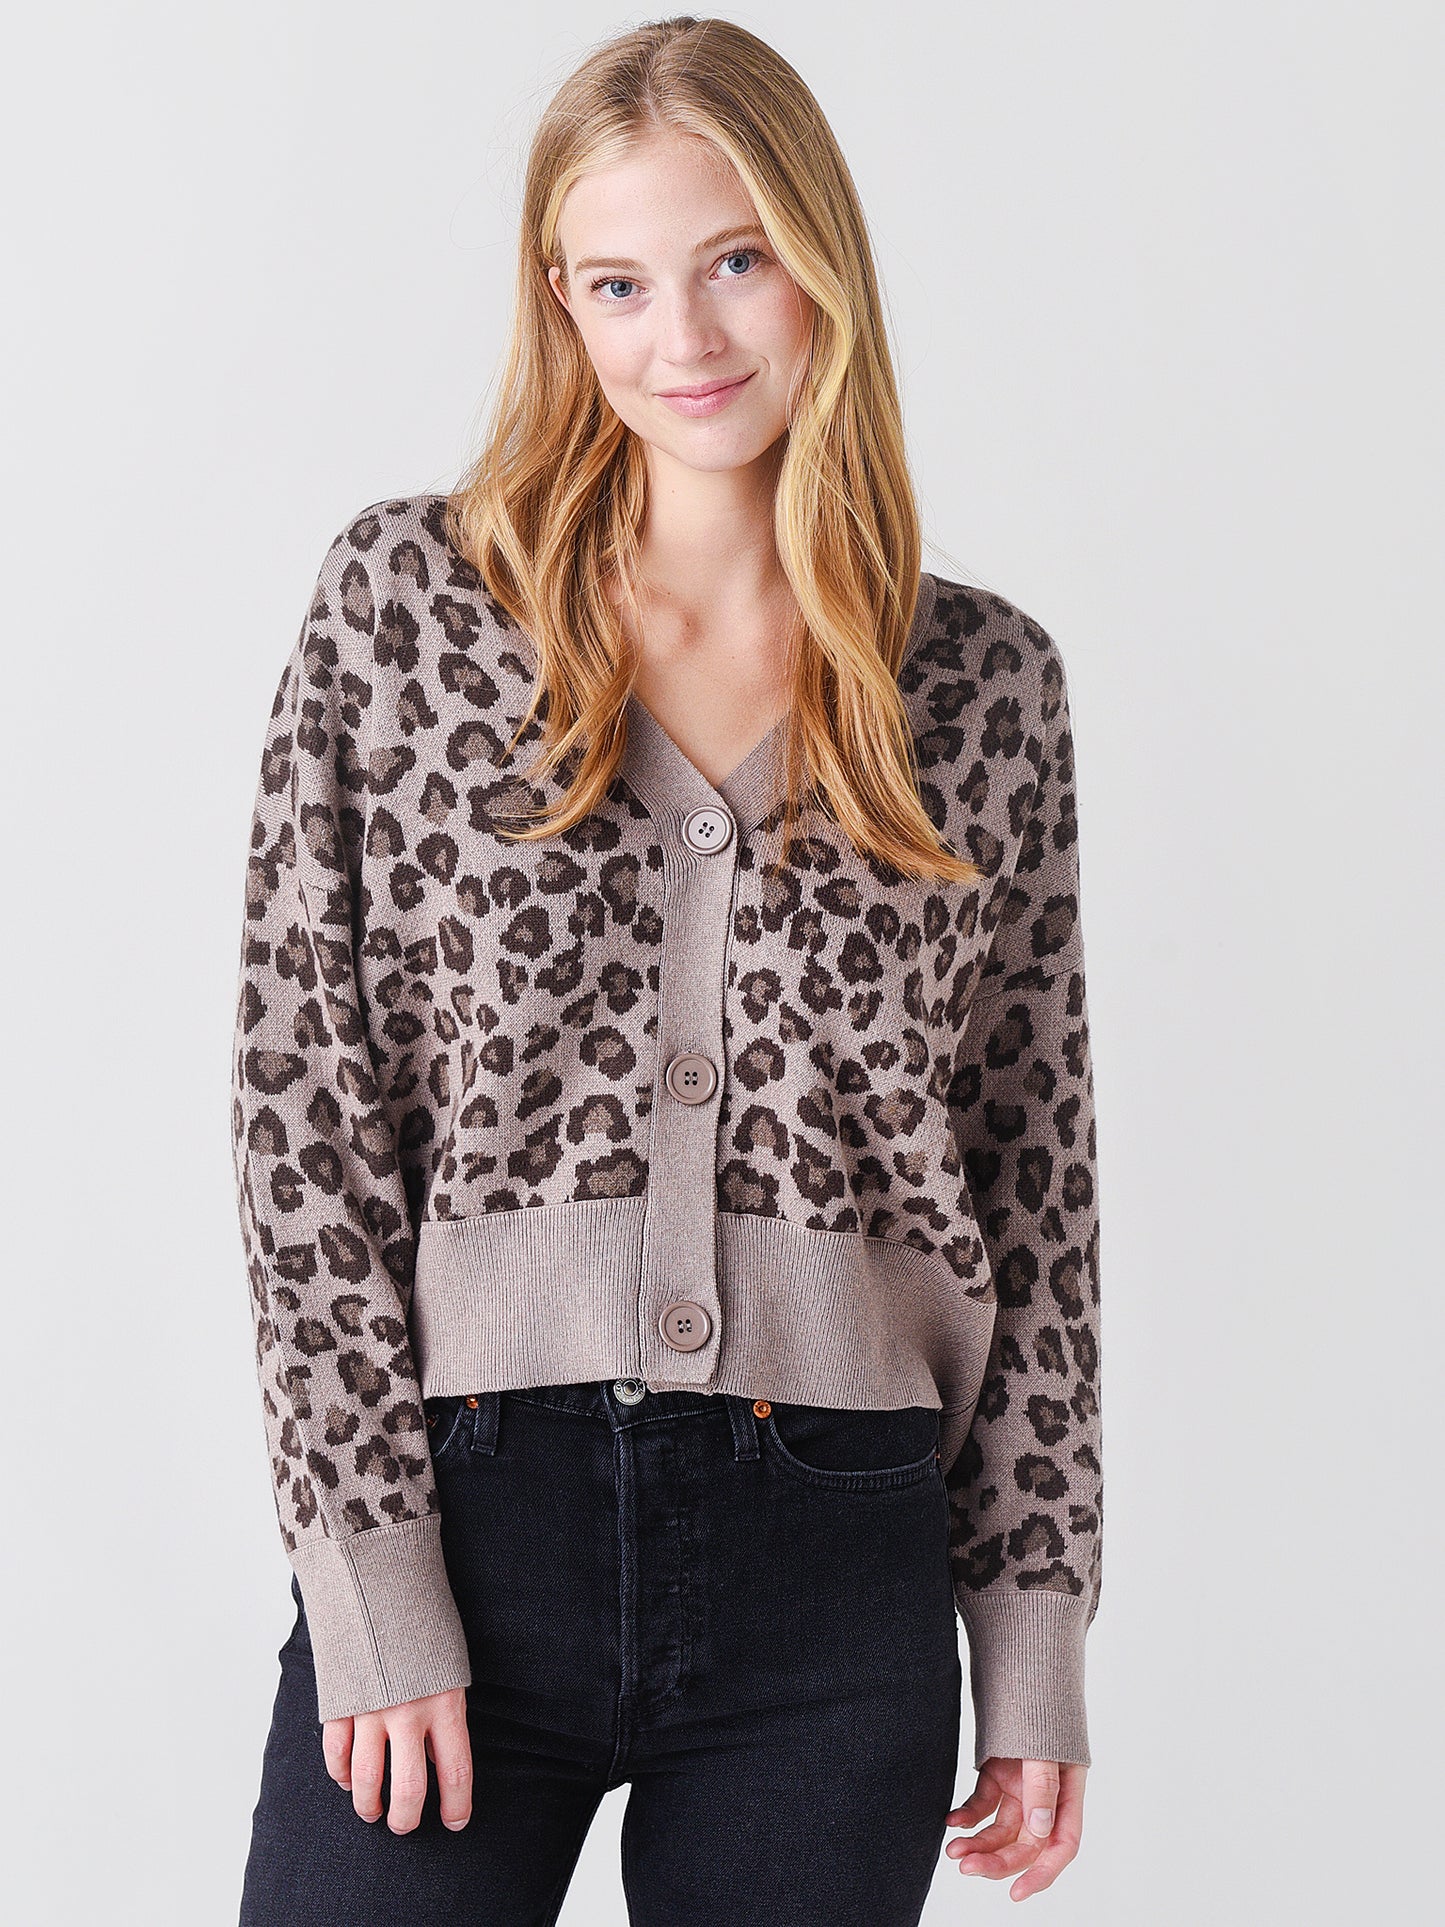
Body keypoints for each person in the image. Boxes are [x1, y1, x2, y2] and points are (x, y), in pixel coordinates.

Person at [230, 16, 1103, 1923]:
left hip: (839, 1574)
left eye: (733, 261)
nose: (683, 337)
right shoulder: (409, 609)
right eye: (617, 282)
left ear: (820, 262)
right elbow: (306, 1123)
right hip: (474, 1520)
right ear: (559, 299)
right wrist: (372, 1585)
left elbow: (1031, 1182)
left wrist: (1031, 1635)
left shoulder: (981, 686)